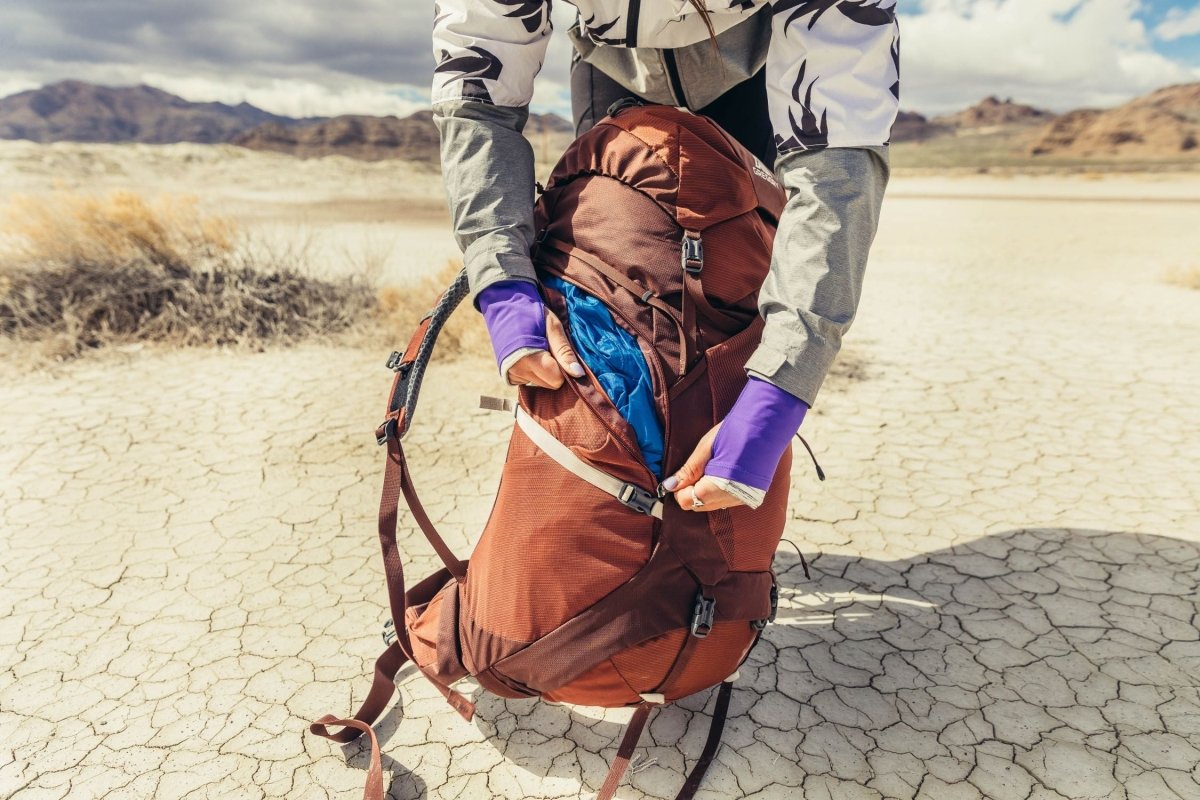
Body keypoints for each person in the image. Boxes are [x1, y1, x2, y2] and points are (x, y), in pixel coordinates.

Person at [432, 0, 899, 512]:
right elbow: (477, 97)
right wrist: (504, 288)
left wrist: (781, 391)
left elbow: (837, 159)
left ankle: (713, 555)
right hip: (613, 64)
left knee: (729, 318)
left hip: (753, 75)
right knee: (599, 319)